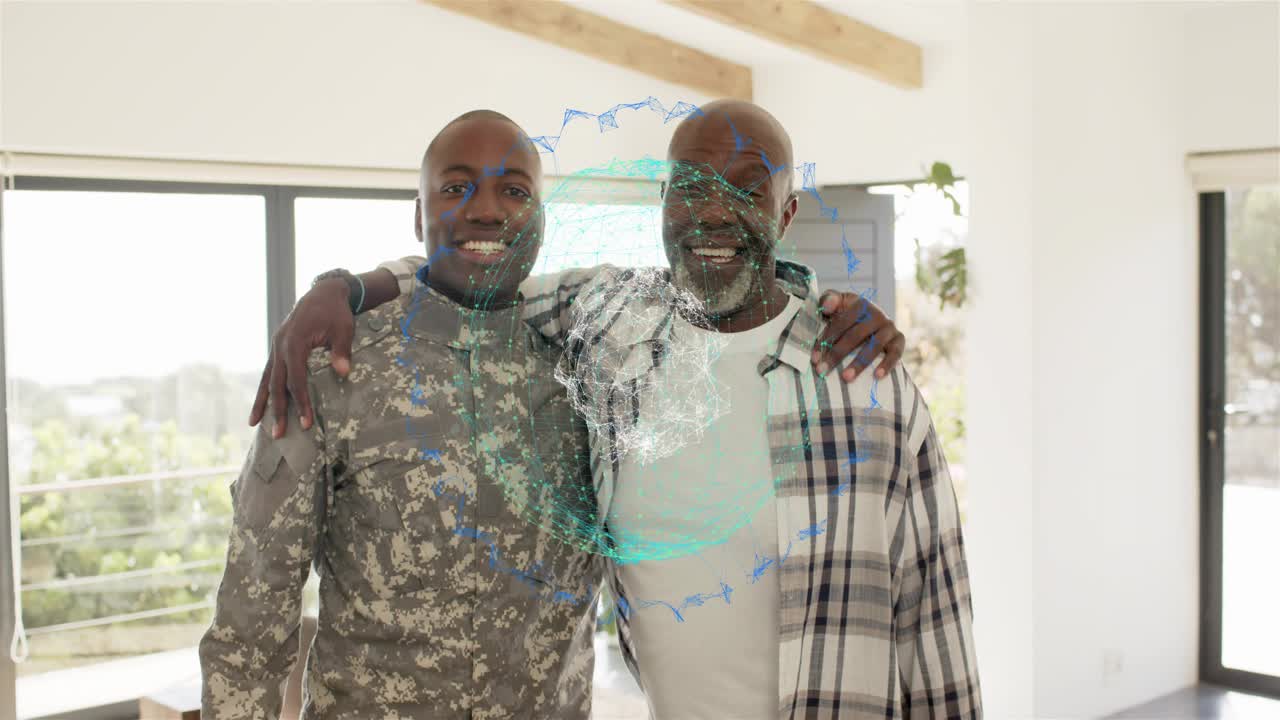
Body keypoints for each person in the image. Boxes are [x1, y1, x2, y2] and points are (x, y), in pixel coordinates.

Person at [252, 101, 953, 718]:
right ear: (665, 202)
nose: (714, 212)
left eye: (746, 190)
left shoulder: (866, 383)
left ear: (785, 211)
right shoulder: (611, 324)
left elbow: (938, 626)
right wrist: (340, 287)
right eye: (693, 189)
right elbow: (478, 269)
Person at [200, 111, 604, 719]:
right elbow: (254, 607)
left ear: (540, 220)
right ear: (419, 215)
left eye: (515, 191)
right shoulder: (333, 367)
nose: (486, 210)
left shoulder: (592, 369)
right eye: (454, 187)